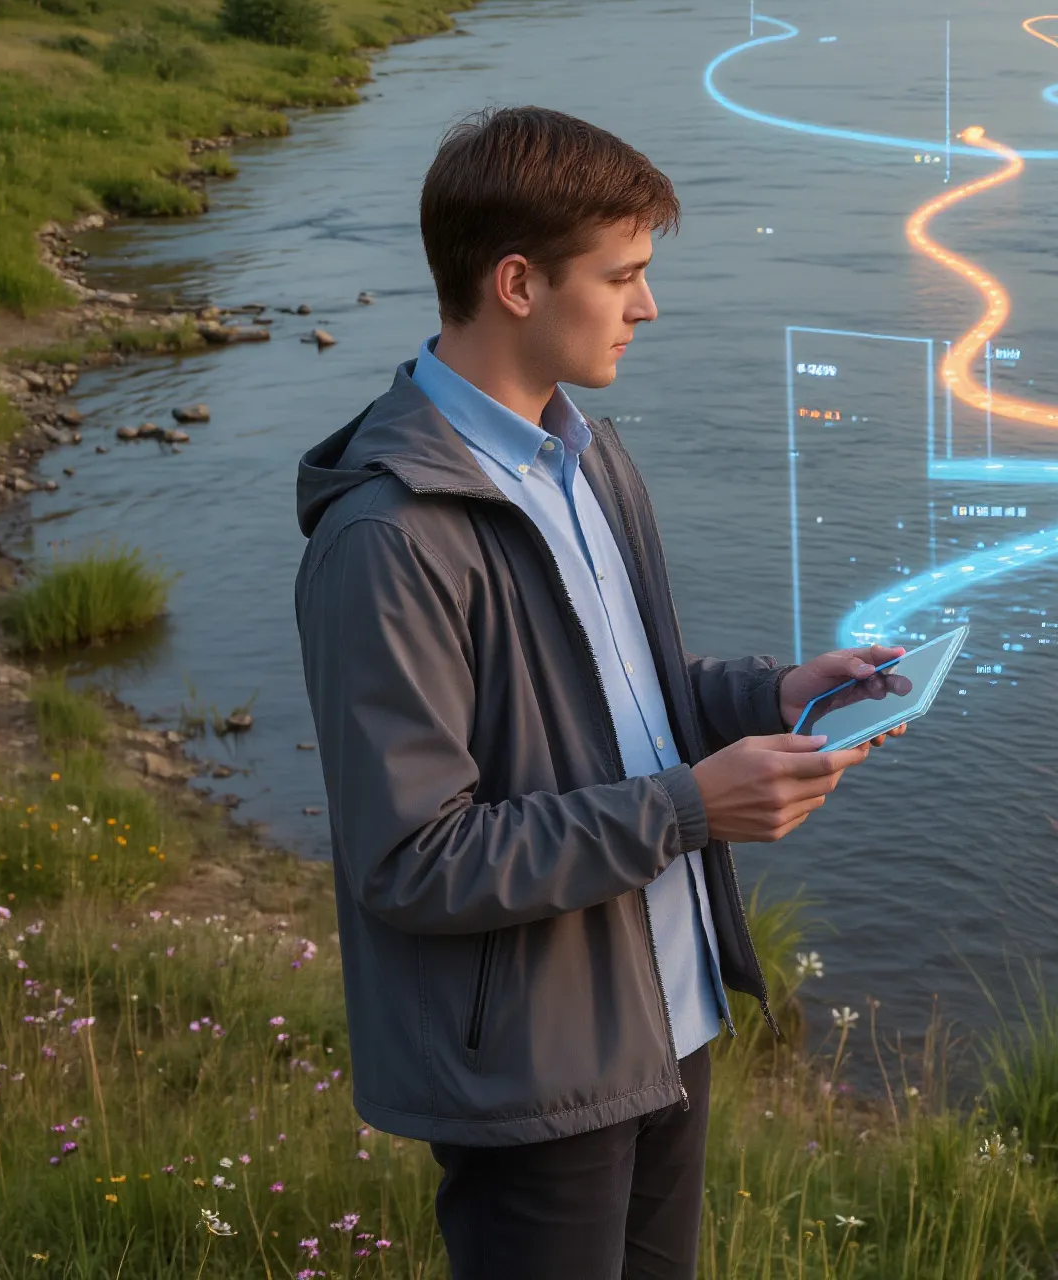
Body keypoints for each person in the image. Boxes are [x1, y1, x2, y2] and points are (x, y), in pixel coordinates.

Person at [294, 107, 910, 1280]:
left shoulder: (588, 457)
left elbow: (623, 701)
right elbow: (413, 857)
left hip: (669, 1018)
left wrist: (773, 692)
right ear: (518, 283)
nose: (648, 305)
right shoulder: (388, 538)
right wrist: (690, 808)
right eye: (622, 275)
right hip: (534, 1068)